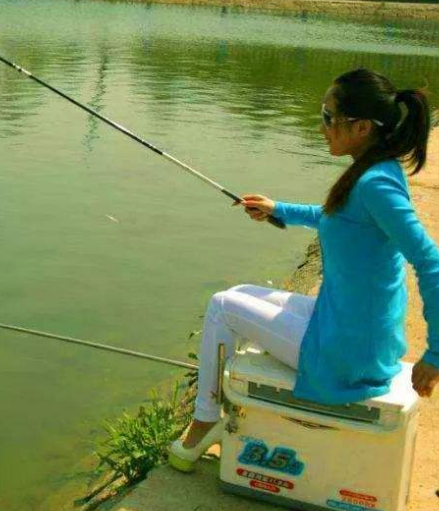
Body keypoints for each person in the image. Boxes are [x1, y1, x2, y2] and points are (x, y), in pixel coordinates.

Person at [169, 68, 439, 472]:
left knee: (222, 306)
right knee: (239, 293)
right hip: (350, 326)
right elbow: (336, 217)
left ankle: (205, 420)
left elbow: (430, 262)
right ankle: (220, 408)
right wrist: (278, 210)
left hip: (349, 353)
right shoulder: (374, 170)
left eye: (330, 117)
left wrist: (435, 353)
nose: (322, 126)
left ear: (362, 126)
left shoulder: (375, 185)